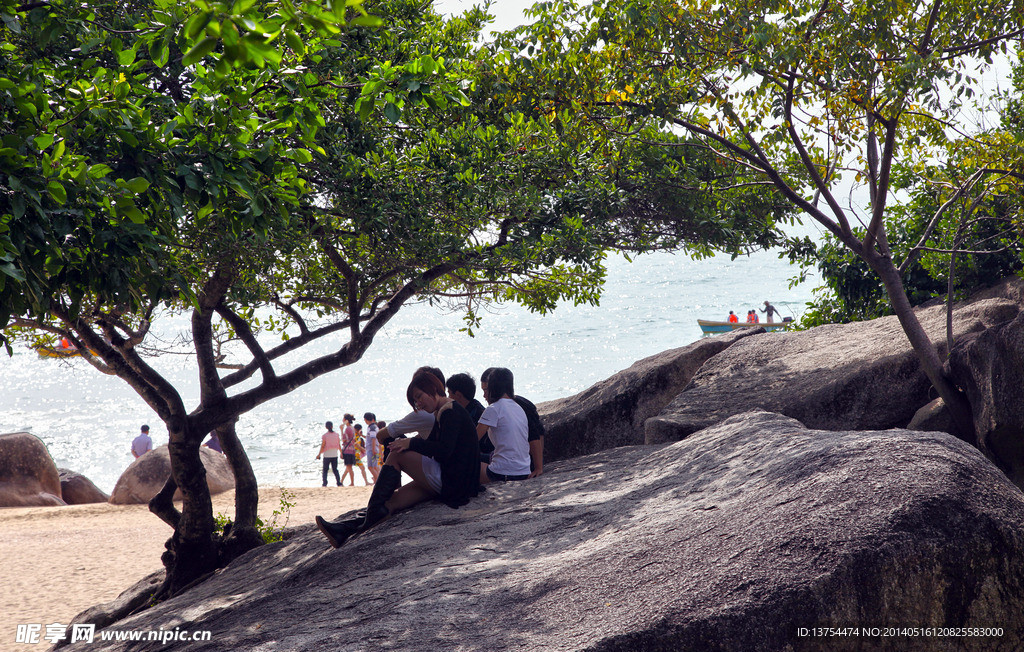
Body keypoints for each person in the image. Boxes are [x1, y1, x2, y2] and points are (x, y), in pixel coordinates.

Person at [315, 371, 480, 549]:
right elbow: (440, 447)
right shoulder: (445, 410)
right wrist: (410, 443)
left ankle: (356, 523)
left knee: (396, 454)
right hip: (457, 481)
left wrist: (411, 443)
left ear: (433, 388)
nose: (419, 404)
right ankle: (343, 531)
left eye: (419, 397)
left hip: (455, 484)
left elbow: (444, 451)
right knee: (391, 502)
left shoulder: (450, 412)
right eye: (415, 401)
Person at [481, 367, 545, 477]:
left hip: (521, 464)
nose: (484, 395)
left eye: (486, 390)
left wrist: (538, 467)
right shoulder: (512, 406)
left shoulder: (517, 406)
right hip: (519, 464)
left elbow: (535, 435)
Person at [476, 368, 531, 484]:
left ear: (493, 387)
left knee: (463, 464)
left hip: (502, 473)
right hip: (524, 470)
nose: (484, 395)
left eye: (486, 389)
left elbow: (472, 439)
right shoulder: (519, 408)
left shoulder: (493, 409)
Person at [316, 421, 343, 487]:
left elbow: (323, 446)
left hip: (327, 454)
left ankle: (325, 483)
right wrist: (341, 452)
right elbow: (339, 445)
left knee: (325, 470)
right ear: (332, 426)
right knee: (335, 469)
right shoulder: (336, 435)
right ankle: (338, 482)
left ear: (326, 427)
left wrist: (319, 454)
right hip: (335, 454)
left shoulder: (325, 436)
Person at [340, 414, 357, 487]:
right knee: (348, 467)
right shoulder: (352, 428)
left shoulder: (347, 429)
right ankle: (341, 481)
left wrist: (341, 430)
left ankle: (352, 482)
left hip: (347, 450)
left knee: (349, 467)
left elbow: (344, 440)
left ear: (346, 420)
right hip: (352, 450)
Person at [364, 412, 381, 483]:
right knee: (375, 467)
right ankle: (379, 481)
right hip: (373, 448)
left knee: (371, 467)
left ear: (365, 419)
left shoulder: (372, 428)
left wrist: (373, 449)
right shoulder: (373, 427)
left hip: (372, 449)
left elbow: (373, 439)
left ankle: (378, 482)